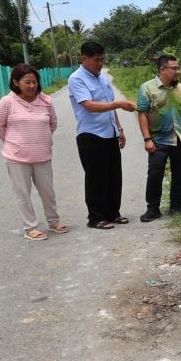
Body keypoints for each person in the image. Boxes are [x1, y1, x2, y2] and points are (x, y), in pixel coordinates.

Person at [0, 64, 67, 241]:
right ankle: (30, 228)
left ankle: (54, 221)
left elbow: (53, 123)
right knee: (23, 194)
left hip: (42, 155)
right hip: (16, 158)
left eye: (34, 82)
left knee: (48, 191)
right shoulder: (7, 102)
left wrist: (39, 140)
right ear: (16, 82)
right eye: (27, 82)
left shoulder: (46, 101)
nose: (32, 86)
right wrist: (14, 143)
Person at [68, 41, 136, 229]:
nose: (100, 63)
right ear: (84, 58)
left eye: (102, 59)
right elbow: (89, 105)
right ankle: (96, 217)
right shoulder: (77, 79)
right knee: (96, 178)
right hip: (90, 135)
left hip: (109, 132)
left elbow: (109, 105)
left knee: (114, 175)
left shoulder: (103, 78)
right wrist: (120, 104)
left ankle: (113, 213)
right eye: (96, 60)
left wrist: (119, 129)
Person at [136, 54, 181, 221]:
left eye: (178, 68)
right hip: (158, 140)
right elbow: (142, 114)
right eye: (174, 68)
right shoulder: (147, 88)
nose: (178, 71)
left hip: (180, 139)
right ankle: (153, 209)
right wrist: (147, 139)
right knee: (155, 174)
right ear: (162, 69)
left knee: (180, 175)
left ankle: (176, 207)